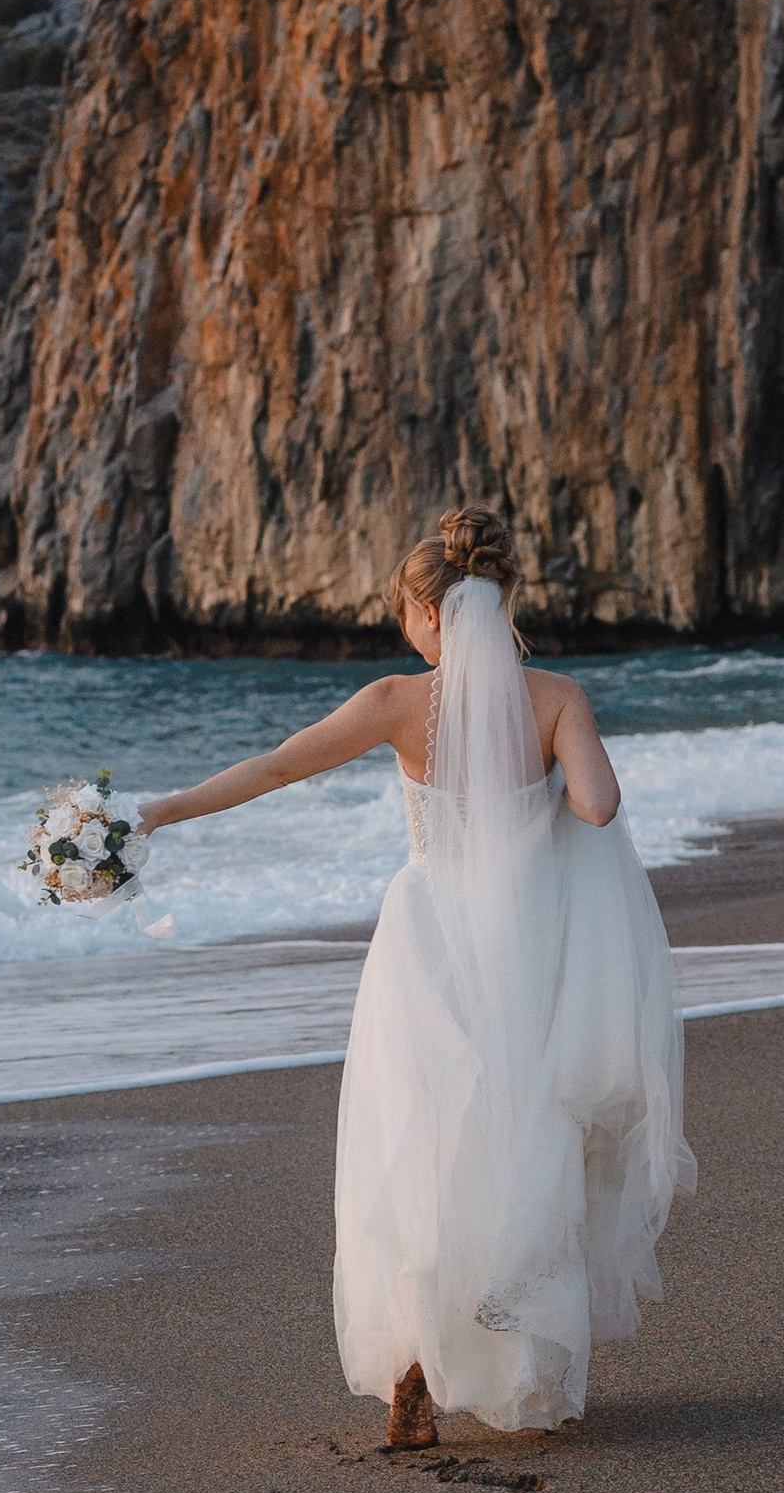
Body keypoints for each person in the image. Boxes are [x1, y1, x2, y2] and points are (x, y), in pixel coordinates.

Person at [134, 508, 694, 1444]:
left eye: (405, 609)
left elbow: (276, 769)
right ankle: (513, 1345)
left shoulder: (396, 702)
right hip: (530, 952)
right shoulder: (555, 696)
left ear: (429, 614)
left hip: (429, 947)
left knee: (420, 1150)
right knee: (522, 1140)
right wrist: (550, 778)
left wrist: (158, 813)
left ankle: (412, 1368)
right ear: (498, 603)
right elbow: (599, 807)